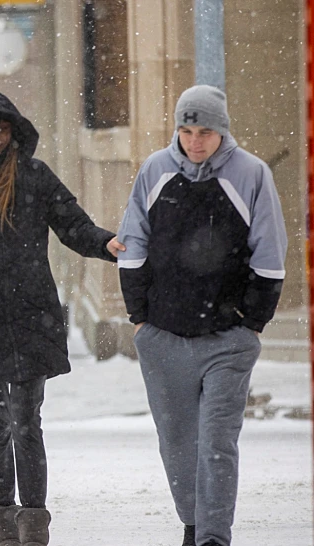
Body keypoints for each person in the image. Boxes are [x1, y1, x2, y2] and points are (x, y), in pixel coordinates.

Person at [0, 90, 124, 546]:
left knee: (27, 421)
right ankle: (3, 525)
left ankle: (33, 526)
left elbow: (73, 225)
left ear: (15, 131)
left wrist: (106, 244)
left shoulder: (33, 178)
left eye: (4, 128)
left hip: (32, 314)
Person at [116, 85, 288, 546]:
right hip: (163, 334)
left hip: (228, 337)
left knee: (216, 443)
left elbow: (269, 253)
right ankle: (193, 525)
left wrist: (252, 321)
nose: (195, 141)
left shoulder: (251, 174)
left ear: (222, 130)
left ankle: (214, 536)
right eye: (186, 130)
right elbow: (132, 244)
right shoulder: (155, 170)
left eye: (205, 131)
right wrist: (140, 319)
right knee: (176, 444)